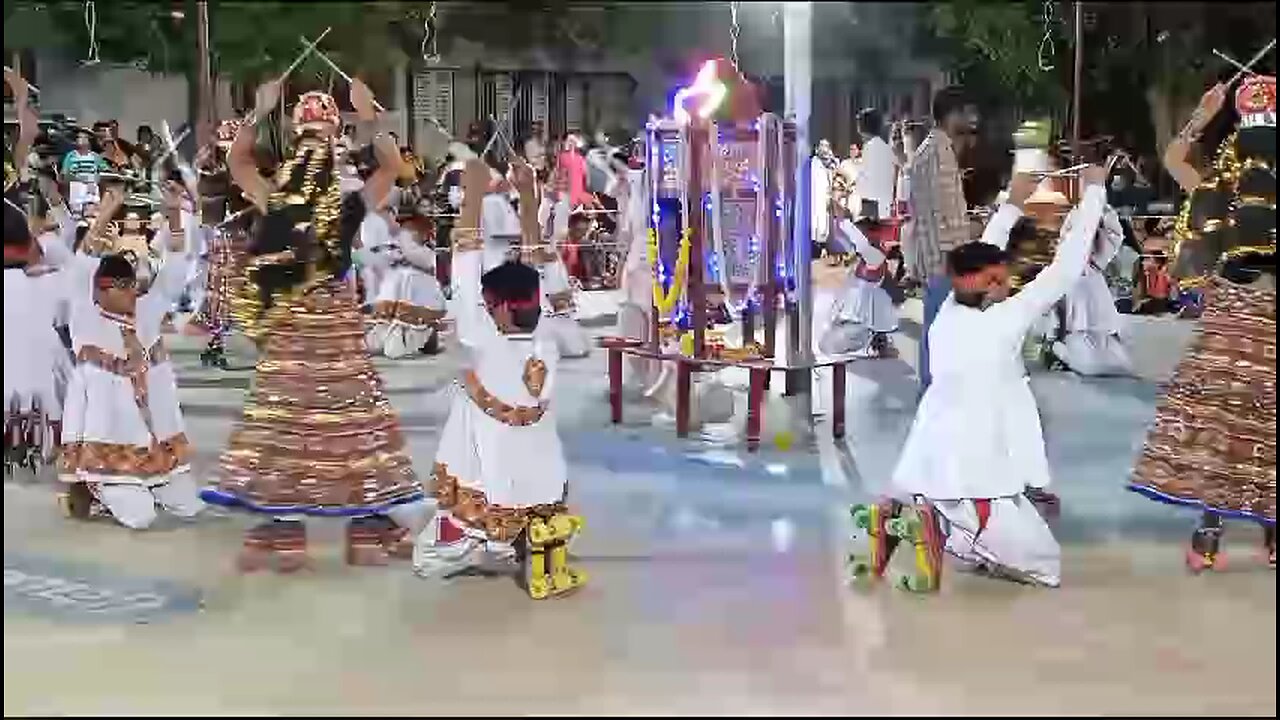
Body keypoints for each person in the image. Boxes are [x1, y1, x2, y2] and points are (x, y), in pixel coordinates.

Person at [200, 77, 427, 571]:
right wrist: (369, 119)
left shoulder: (281, 202)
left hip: (302, 328)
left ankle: (298, 527)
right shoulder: (342, 204)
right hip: (326, 327)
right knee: (342, 417)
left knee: (297, 418)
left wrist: (259, 112)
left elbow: (239, 162)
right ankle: (348, 525)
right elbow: (392, 167)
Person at [850, 167, 1107, 592]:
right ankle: (941, 531)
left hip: (931, 446)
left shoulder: (949, 310)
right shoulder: (1008, 318)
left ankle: (902, 525)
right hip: (977, 467)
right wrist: (1094, 192)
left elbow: (984, 249)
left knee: (924, 487)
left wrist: (1014, 200)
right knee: (1045, 566)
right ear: (991, 285)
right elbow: (1066, 268)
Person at [413, 157, 585, 599]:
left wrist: (471, 193)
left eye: (489, 305)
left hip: (490, 482)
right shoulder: (552, 328)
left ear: (500, 308)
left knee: (425, 558)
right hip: (546, 480)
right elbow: (542, 262)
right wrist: (528, 197)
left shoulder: (483, 337)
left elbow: (466, 265)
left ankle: (486, 542)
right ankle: (531, 542)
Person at [1130, 75, 1276, 571]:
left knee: (1220, 421)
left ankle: (1209, 538)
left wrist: (1203, 114)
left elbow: (1175, 159)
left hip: (1233, 320)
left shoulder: (1223, 184)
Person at [38, 179, 204, 529]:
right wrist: (109, 208)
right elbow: (83, 262)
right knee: (140, 518)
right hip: (109, 436)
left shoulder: (147, 309)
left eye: (133, 285)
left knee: (189, 507)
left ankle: (126, 486)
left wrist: (174, 213)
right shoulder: (85, 313)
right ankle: (87, 483)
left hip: (155, 438)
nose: (131, 292)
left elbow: (175, 267)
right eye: (122, 287)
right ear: (101, 290)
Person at [904, 87, 976, 391]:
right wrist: (972, 232)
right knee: (939, 330)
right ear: (953, 114)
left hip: (939, 255)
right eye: (966, 112)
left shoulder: (933, 148)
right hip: (945, 257)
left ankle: (934, 391)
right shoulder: (938, 152)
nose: (971, 119)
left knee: (938, 329)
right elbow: (942, 212)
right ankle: (933, 394)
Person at [1049, 204, 1134, 376]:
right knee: (1087, 363)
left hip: (1102, 334)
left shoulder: (1094, 265)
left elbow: (1114, 236)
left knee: (1119, 365)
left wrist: (1103, 208)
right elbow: (1058, 310)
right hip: (1077, 335)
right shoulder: (1064, 270)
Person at [362, 205, 447, 358]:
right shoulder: (398, 241)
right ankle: (400, 337)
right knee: (386, 334)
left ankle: (425, 337)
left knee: (397, 343)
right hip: (398, 287)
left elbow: (422, 259)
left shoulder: (421, 247)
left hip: (414, 289)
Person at [61, 130, 108, 218]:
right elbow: (65, 174)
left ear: (89, 141)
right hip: (76, 188)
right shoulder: (71, 156)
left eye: (84, 137)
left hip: (91, 189)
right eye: (79, 137)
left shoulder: (95, 157)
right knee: (77, 216)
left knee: (92, 215)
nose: (81, 140)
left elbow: (105, 172)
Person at [810, 139, 837, 254]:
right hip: (816, 197)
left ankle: (826, 246)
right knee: (817, 221)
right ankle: (817, 247)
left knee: (826, 221)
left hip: (827, 196)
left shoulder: (833, 163)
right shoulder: (814, 164)